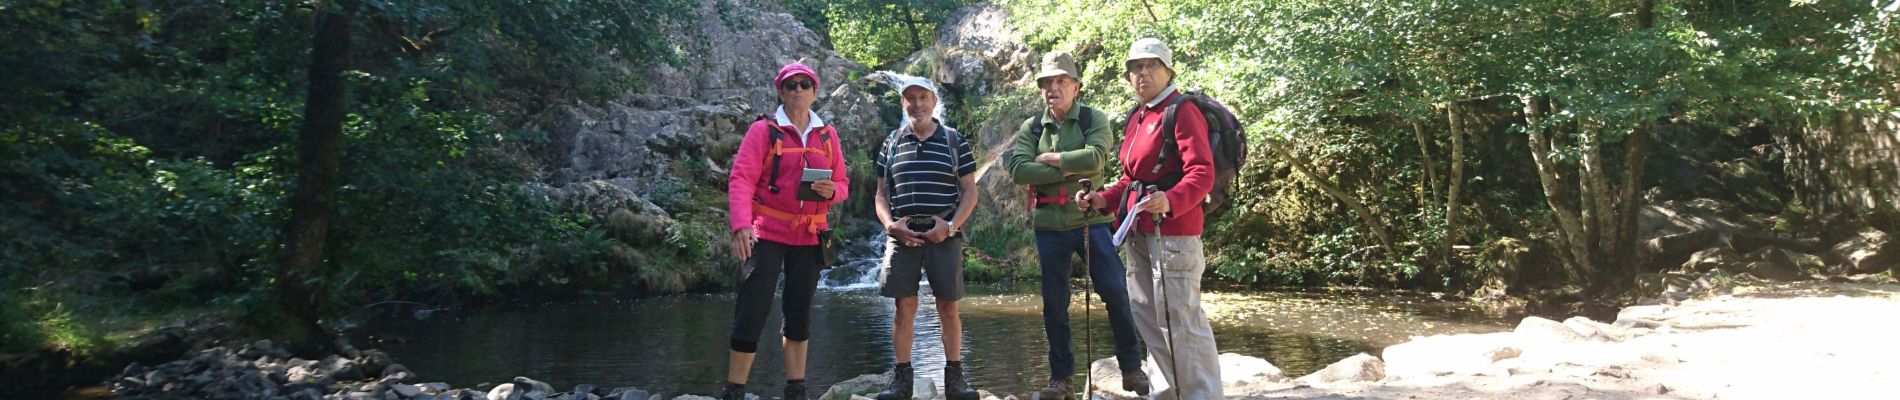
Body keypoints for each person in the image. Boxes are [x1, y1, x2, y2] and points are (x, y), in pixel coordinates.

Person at [1079, 37, 1224, 399]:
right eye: (1136, 68)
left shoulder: (1181, 110)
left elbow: (1201, 172)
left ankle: (1201, 395)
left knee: (1181, 321)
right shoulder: (1139, 115)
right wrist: (1103, 199)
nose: (1142, 73)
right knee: (1150, 320)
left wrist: (1170, 201)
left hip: (1174, 234)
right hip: (1139, 232)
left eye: (1151, 66)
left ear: (1168, 70)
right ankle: (1166, 393)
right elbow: (1132, 179)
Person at [1006, 51, 1151, 399]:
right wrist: (1072, 167)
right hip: (1048, 227)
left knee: (1115, 292)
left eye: (1060, 82)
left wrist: (1053, 159)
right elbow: (1018, 169)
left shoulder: (1092, 119)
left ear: (1076, 86)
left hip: (1092, 220)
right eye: (1047, 83)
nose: (1052, 89)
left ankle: (1131, 368)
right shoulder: (1032, 127)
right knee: (1054, 304)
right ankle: (1062, 379)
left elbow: (1097, 158)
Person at [720, 62, 849, 400]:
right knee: (752, 308)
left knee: (799, 311)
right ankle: (735, 390)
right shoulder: (763, 131)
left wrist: (832, 191)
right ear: (781, 91)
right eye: (790, 85)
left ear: (815, 92)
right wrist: (741, 227)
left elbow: (843, 182)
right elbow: (741, 180)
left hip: (810, 236)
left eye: (805, 84)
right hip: (764, 233)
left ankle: (796, 388)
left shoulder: (828, 135)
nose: (798, 90)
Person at [871, 76, 981, 400]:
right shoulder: (891, 143)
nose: (916, 104)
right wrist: (891, 226)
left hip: (944, 237)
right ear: (903, 103)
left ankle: (955, 382)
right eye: (910, 98)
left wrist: (949, 227)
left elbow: (970, 191)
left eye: (922, 97)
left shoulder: (954, 140)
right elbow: (879, 194)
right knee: (903, 308)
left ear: (934, 101)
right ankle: (901, 382)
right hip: (900, 237)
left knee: (948, 307)